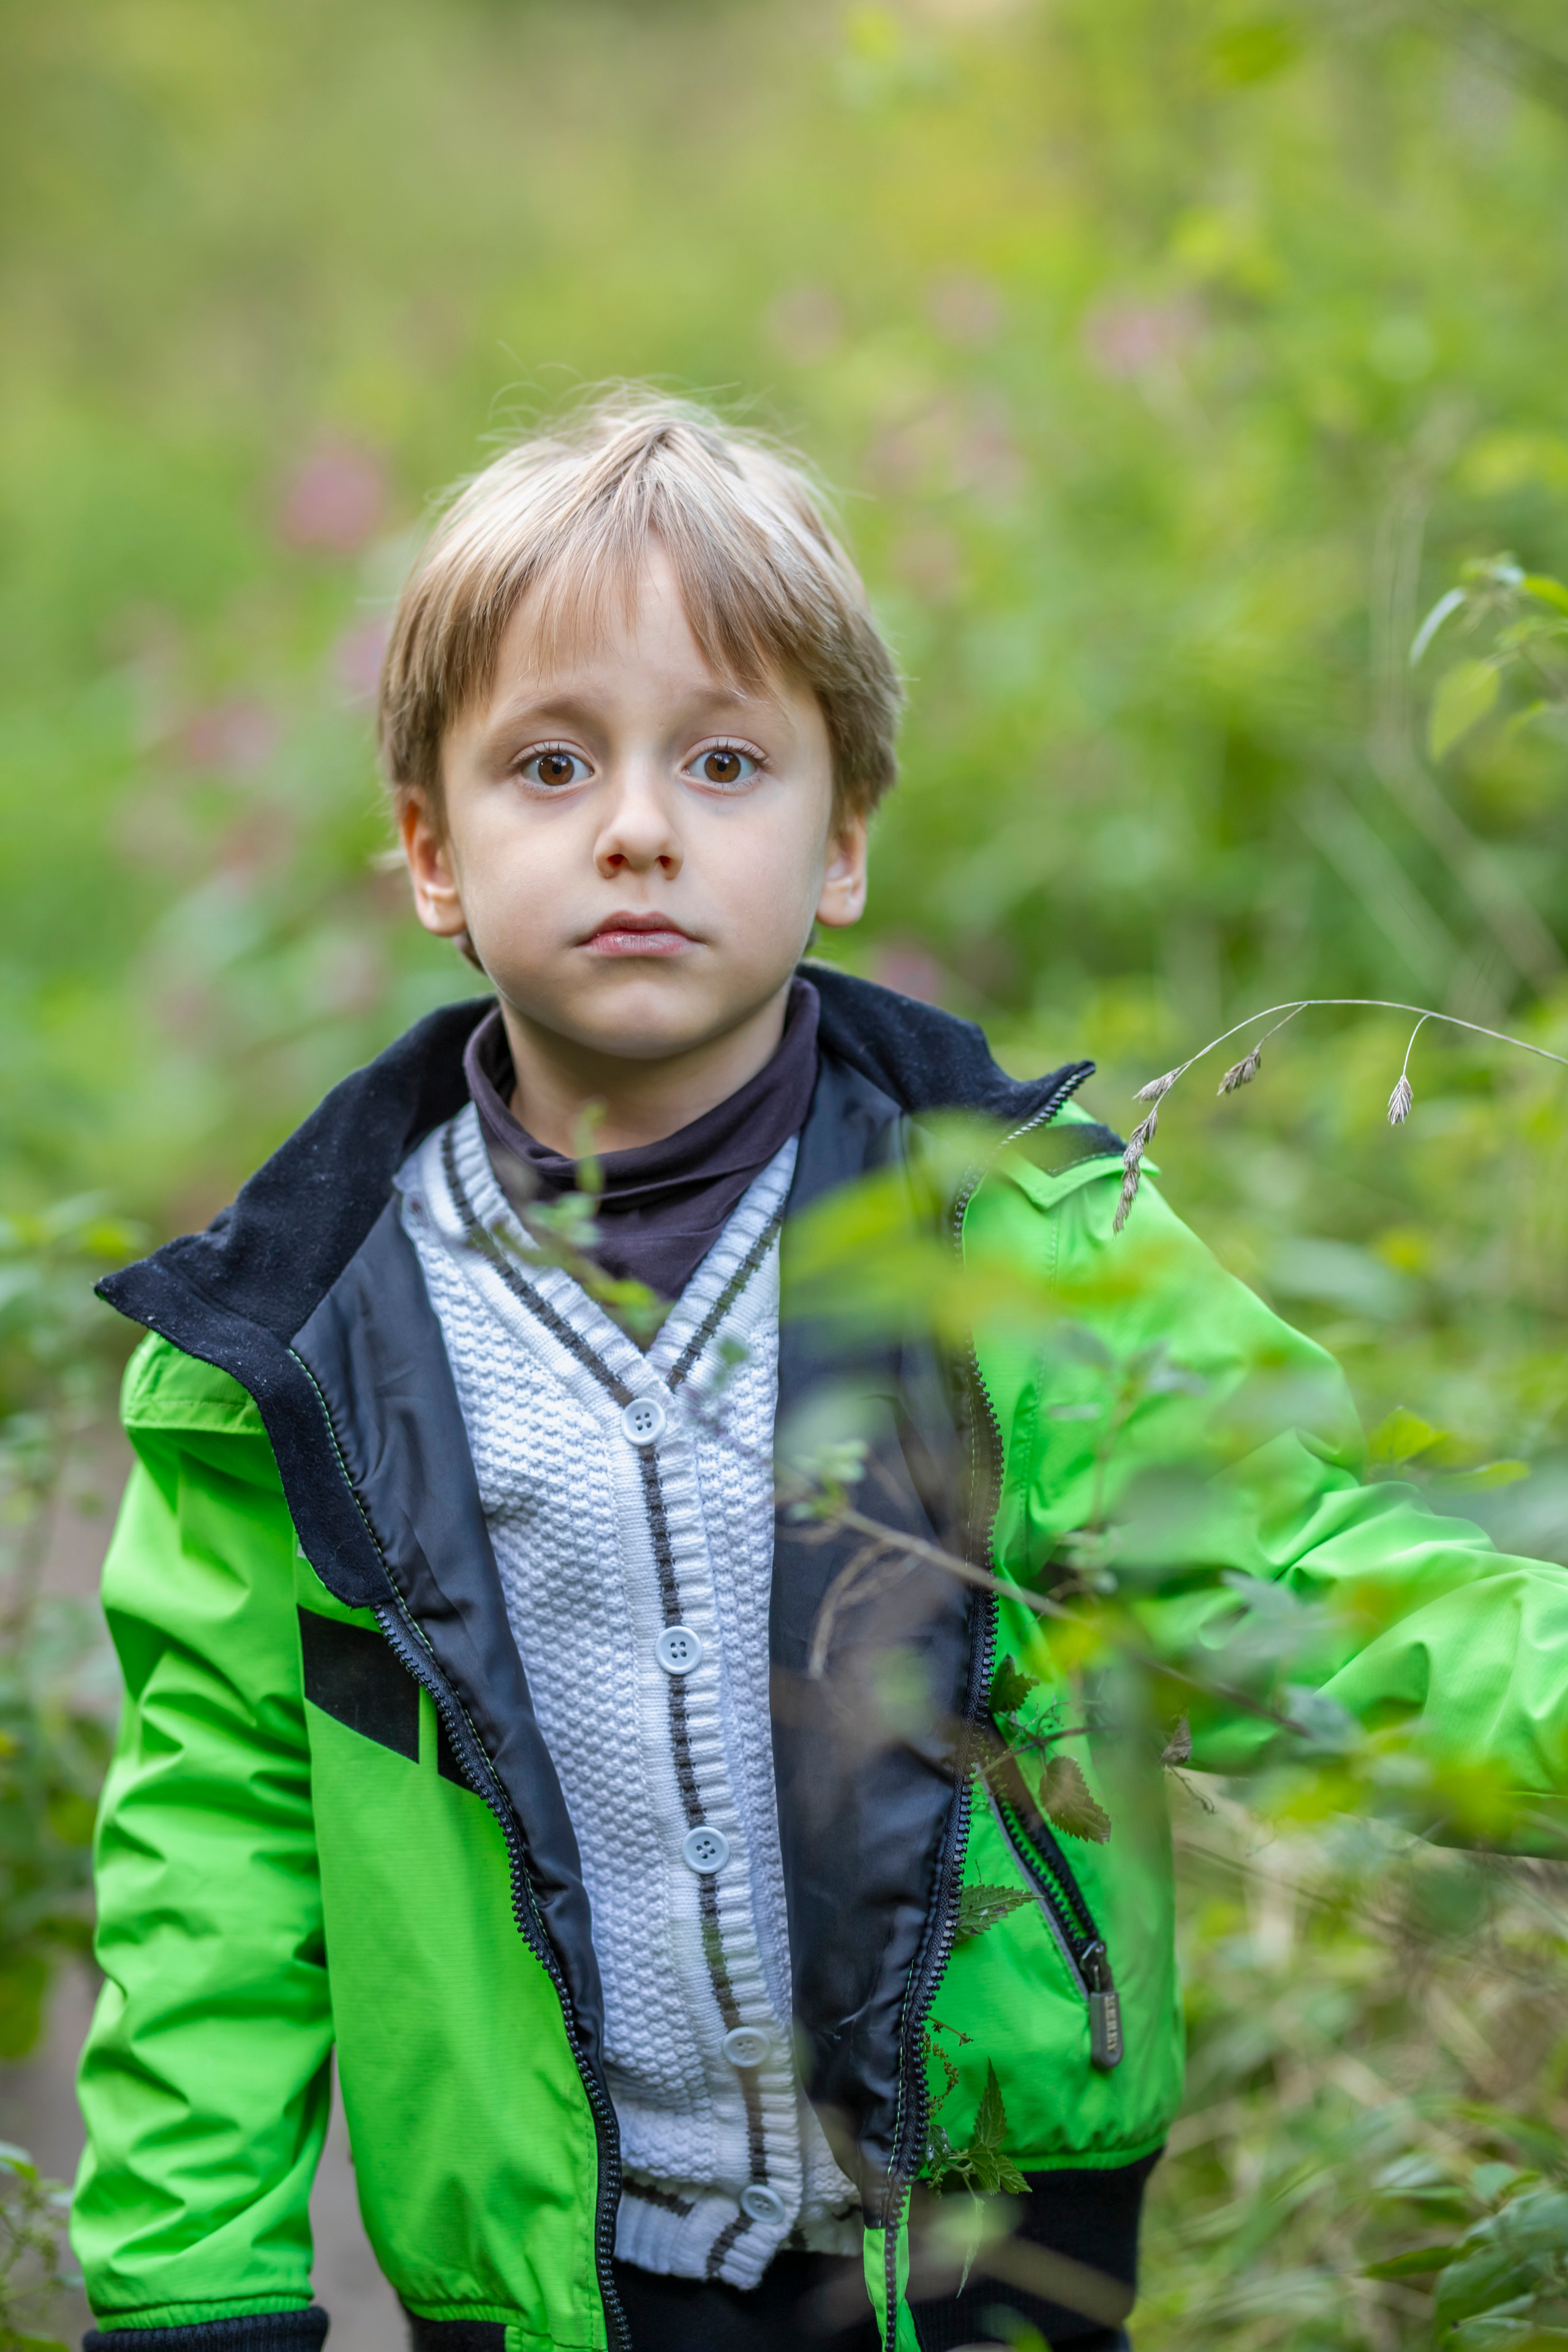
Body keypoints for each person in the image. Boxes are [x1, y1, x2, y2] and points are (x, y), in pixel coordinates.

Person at [75, 396, 1568, 2352]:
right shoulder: (310, 1349)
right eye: (548, 763)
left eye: (722, 760)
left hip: (987, 2263)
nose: (637, 826)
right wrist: (192, 2283)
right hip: (546, 2287)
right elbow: (218, 1843)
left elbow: (1314, 1598)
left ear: (841, 840)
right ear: (431, 854)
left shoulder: (1019, 1253)